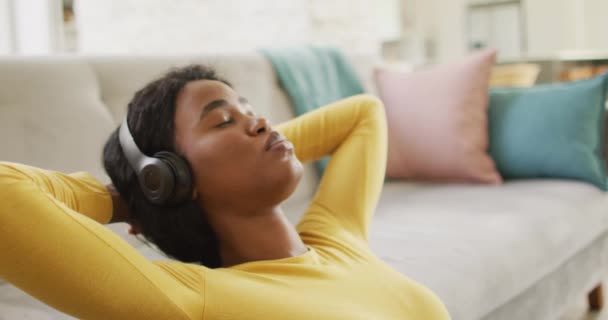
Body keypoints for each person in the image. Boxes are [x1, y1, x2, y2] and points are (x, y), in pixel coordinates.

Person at [0, 65, 451, 319]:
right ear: (171, 178)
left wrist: (166, 185)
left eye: (251, 110)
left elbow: (363, 115)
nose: (260, 122)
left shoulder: (336, 240)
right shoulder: (196, 300)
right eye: (222, 121)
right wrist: (133, 193)